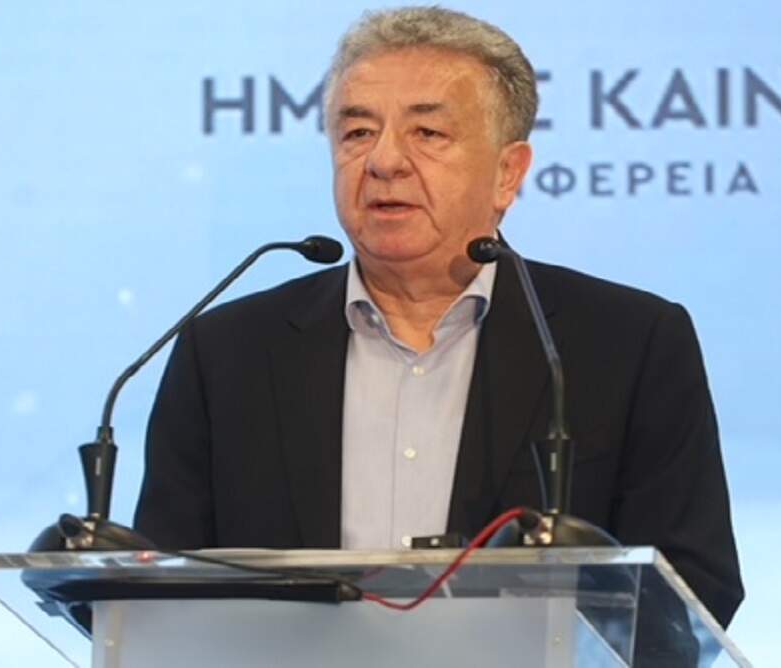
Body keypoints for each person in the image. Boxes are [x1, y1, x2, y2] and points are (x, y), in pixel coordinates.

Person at [134, 6, 744, 627]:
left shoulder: (626, 345)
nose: (384, 161)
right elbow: (152, 600)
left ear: (507, 173)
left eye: (427, 133)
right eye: (357, 133)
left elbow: (695, 588)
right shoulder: (227, 352)